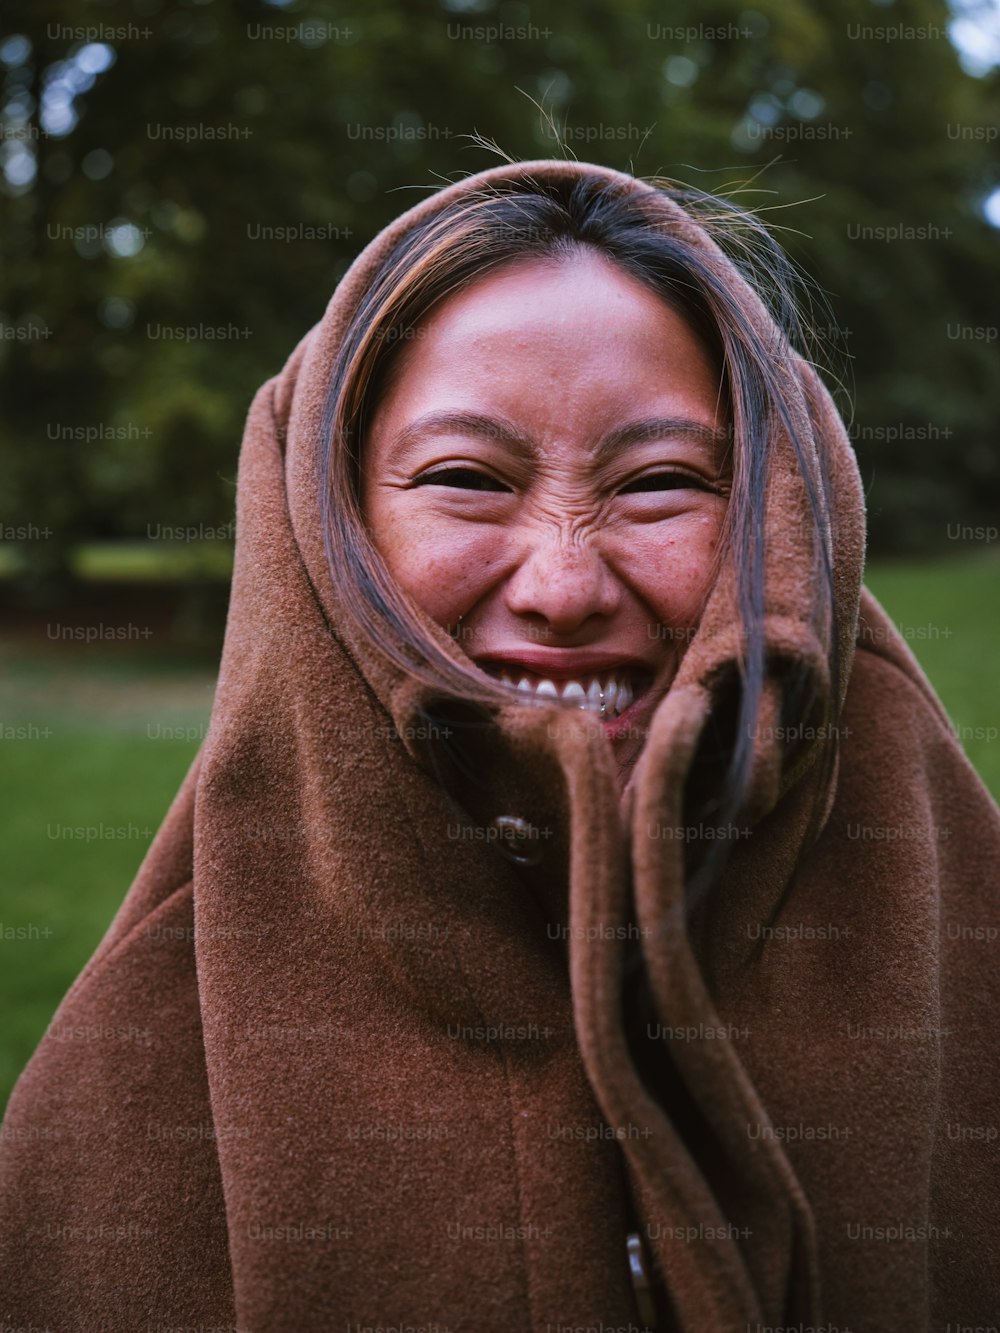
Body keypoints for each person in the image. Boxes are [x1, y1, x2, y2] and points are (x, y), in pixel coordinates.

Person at [1, 157, 997, 1332]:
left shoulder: (961, 941)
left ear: (778, 518)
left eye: (661, 483)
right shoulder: (128, 1085)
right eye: (467, 479)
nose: (564, 585)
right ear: (327, 537)